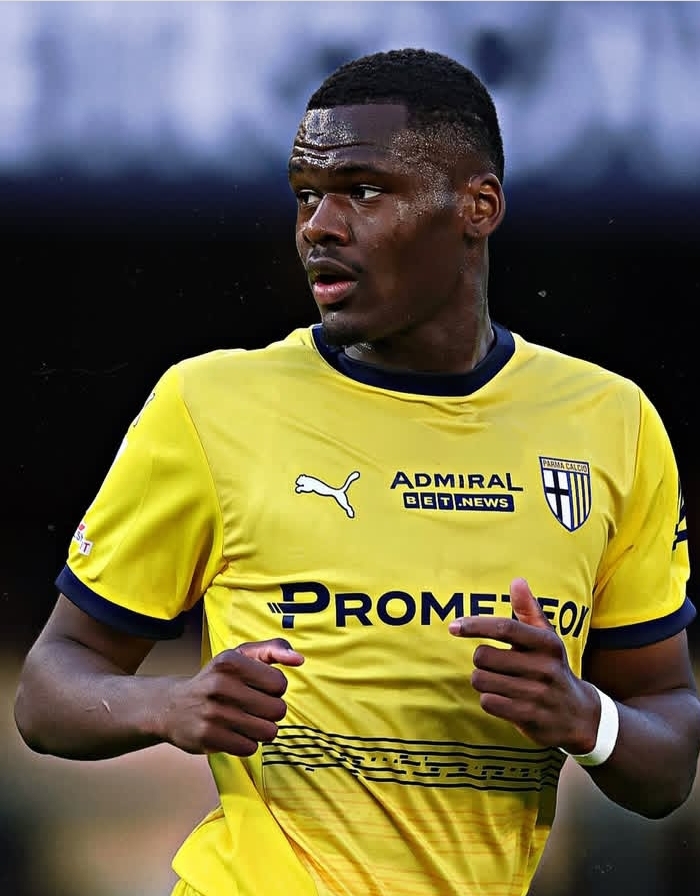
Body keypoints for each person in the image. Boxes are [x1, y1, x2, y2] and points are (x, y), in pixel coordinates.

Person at [13, 47, 700, 896]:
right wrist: (170, 705)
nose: (319, 226)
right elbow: (49, 690)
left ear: (478, 206)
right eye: (306, 195)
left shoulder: (612, 424)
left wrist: (586, 718)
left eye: (364, 191)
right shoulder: (210, 405)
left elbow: (669, 753)